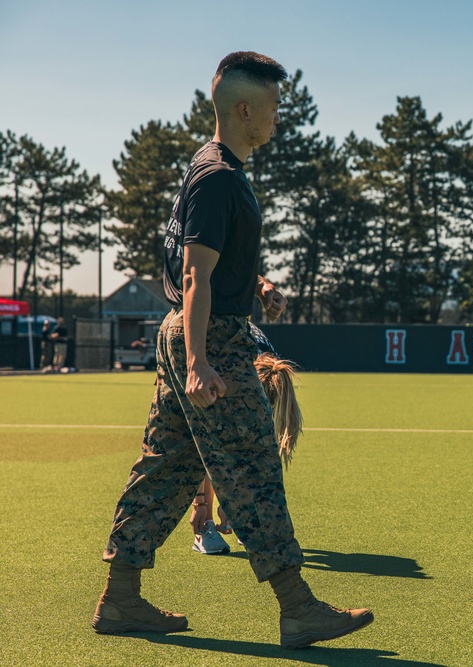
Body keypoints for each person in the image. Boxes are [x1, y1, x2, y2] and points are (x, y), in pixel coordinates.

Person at [92, 51, 373, 649]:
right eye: (273, 106)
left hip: (190, 331)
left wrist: (257, 284)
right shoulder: (221, 178)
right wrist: (199, 362)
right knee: (253, 469)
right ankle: (298, 609)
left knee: (167, 467)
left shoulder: (208, 163)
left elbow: (209, 262)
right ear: (245, 109)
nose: (279, 117)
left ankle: (119, 599)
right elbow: (195, 274)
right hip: (209, 341)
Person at [191, 343, 304, 555]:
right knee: (213, 443)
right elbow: (204, 447)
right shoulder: (219, 369)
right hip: (194, 366)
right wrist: (200, 504)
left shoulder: (272, 371)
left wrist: (236, 503)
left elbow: (250, 449)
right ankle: (204, 528)